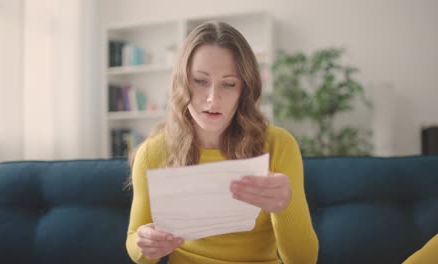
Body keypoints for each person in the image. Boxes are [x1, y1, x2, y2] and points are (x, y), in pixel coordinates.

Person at [125, 21, 319, 264]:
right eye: (200, 81)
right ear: (182, 82)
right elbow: (136, 245)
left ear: (244, 90)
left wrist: (285, 206)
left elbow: (304, 260)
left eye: (228, 84)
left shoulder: (279, 145)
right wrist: (146, 244)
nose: (212, 99)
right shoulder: (152, 152)